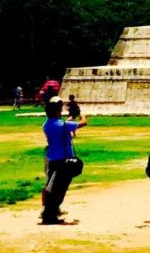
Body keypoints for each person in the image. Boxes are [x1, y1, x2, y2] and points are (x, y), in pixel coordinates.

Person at [41, 96, 87, 224]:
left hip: (52, 159)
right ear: (57, 111)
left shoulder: (46, 124)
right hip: (62, 161)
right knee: (59, 189)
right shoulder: (62, 125)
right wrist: (83, 115)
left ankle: (50, 212)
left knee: (51, 187)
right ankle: (50, 215)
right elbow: (83, 123)